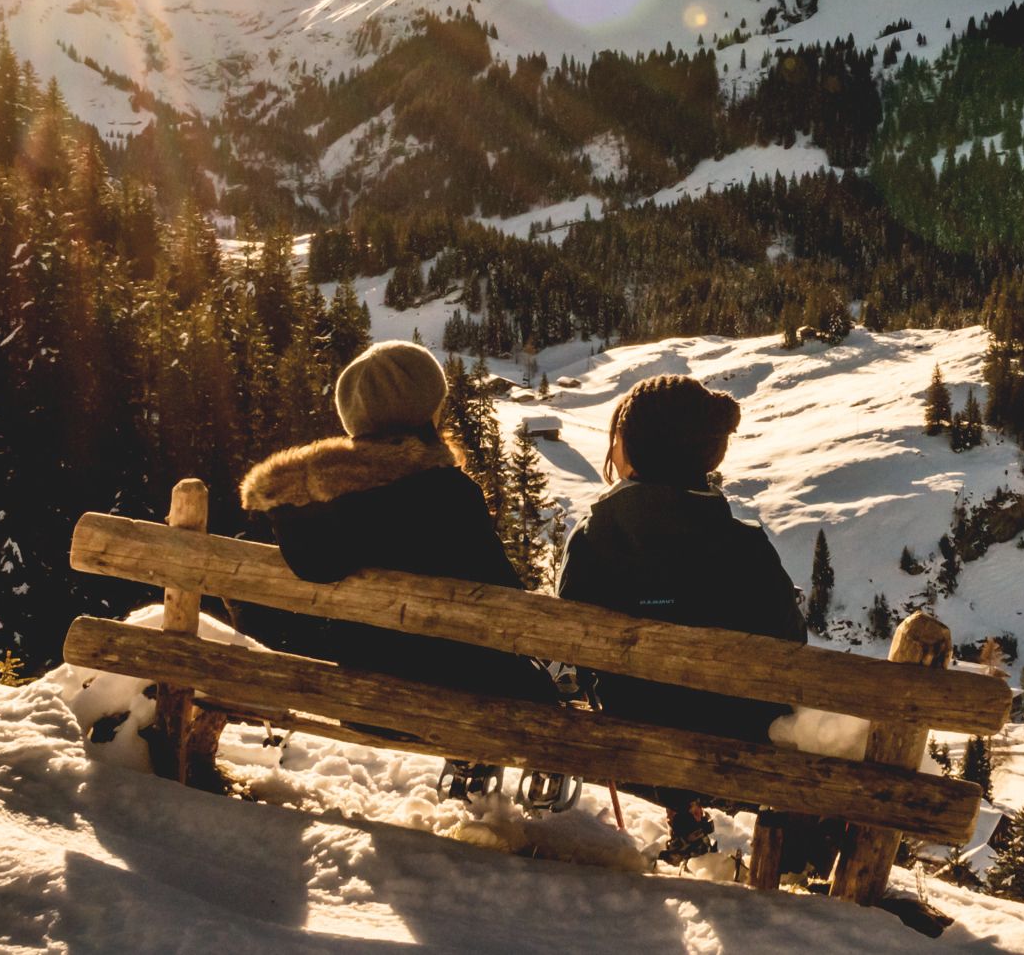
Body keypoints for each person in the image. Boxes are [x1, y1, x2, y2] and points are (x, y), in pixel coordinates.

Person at [556, 373, 807, 858]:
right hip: (733, 745)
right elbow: (790, 653)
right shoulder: (746, 549)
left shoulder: (594, 540)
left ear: (632, 447)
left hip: (625, 734)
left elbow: (569, 644)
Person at [240, 339, 556, 718]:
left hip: (363, 701)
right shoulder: (449, 495)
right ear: (426, 411)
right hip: (459, 698)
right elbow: (505, 601)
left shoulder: (308, 507)